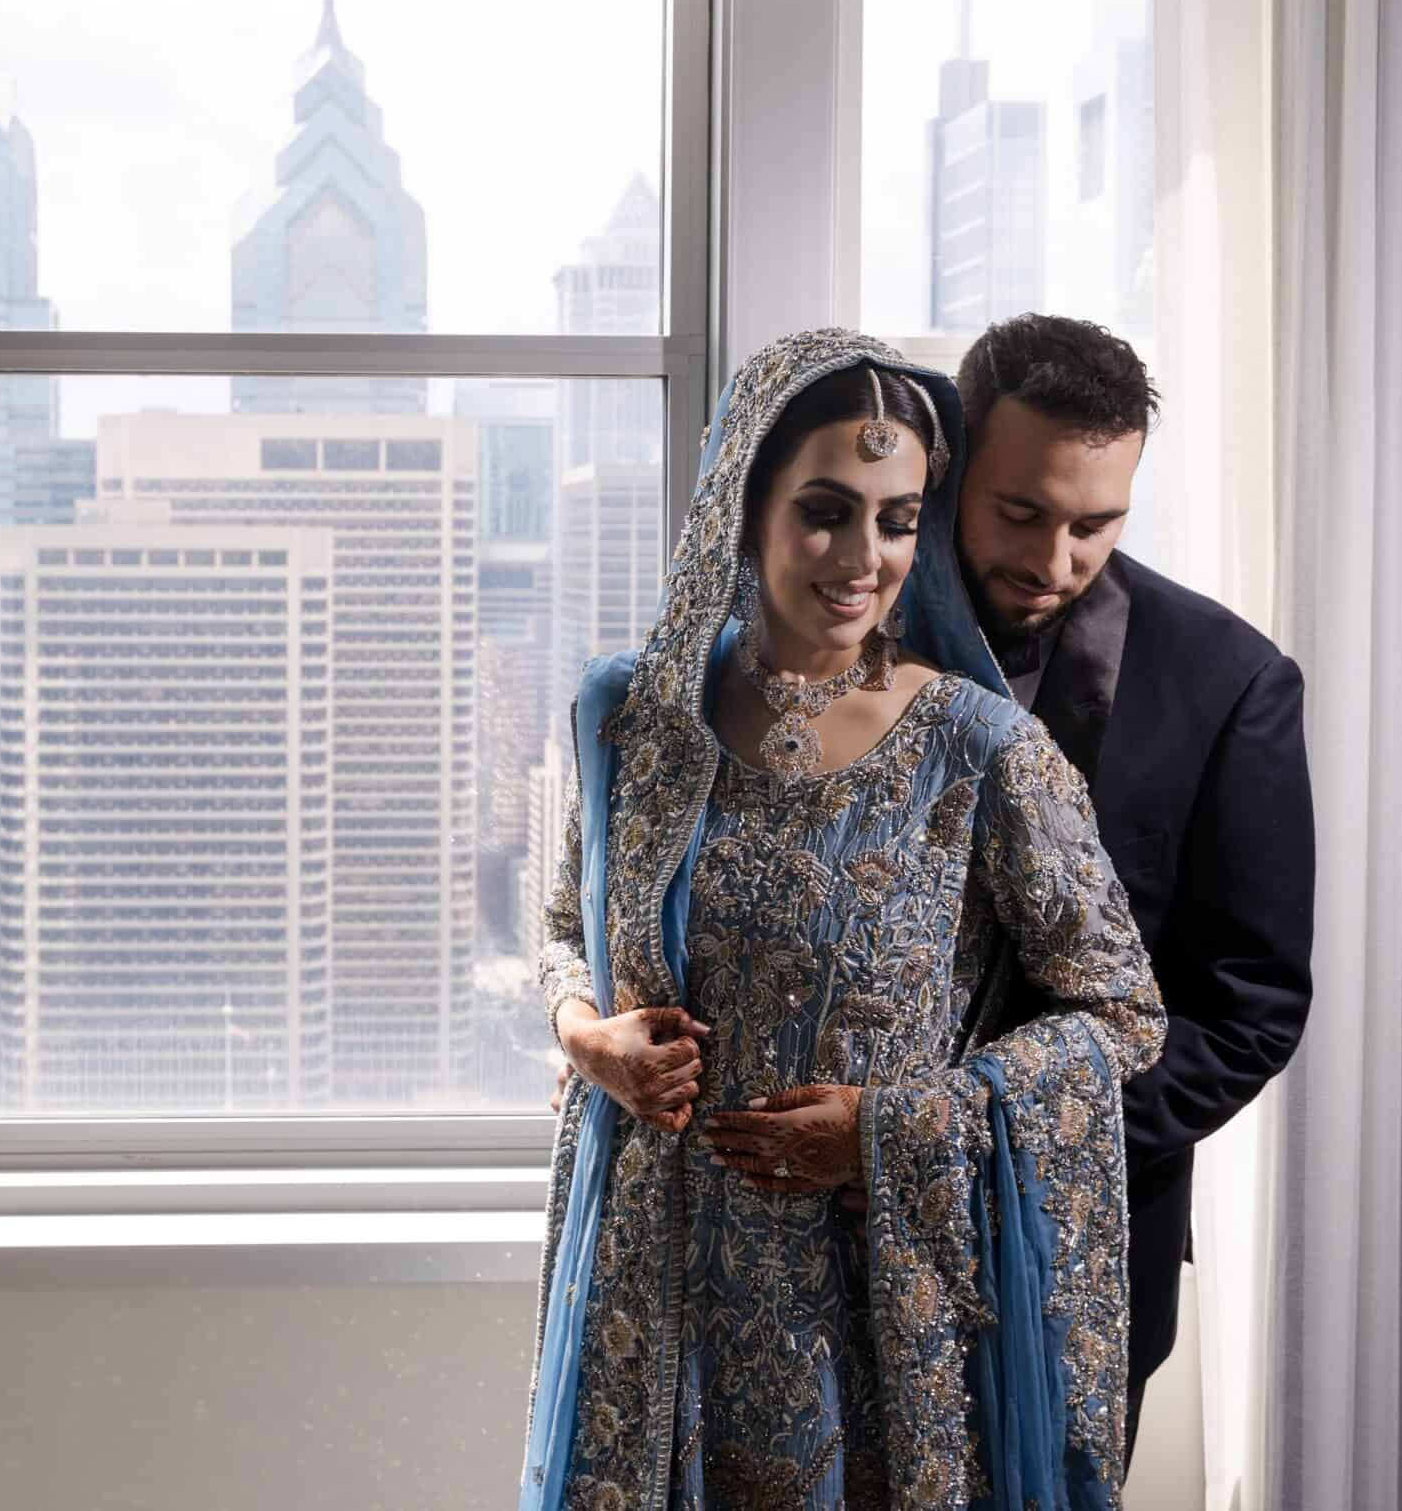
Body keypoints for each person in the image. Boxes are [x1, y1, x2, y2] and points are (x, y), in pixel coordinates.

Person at [521, 327, 1165, 1510]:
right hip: (643, 1288)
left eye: (899, 517)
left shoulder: (979, 751)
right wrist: (583, 1035)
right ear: (743, 505)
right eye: (825, 511)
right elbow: (562, 925)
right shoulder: (629, 716)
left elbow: (1119, 1013)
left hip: (862, 1310)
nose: (864, 556)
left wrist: (897, 1125)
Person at [950, 313, 1315, 1457]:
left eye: (1094, 524)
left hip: (1082, 1250)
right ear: (954, 460)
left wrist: (990, 1152)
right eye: (1019, 513)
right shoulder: (833, 631)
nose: (1054, 562)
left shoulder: (1233, 682)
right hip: (818, 1244)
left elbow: (1246, 1012)